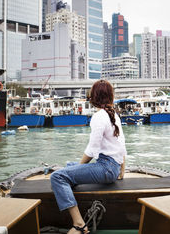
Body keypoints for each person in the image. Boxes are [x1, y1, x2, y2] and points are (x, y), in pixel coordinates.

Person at [50, 80, 126, 234]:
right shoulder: (114, 115)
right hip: (113, 168)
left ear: (95, 97)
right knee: (69, 165)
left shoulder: (99, 116)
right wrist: (121, 170)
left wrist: (80, 166)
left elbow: (92, 150)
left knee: (57, 177)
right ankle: (72, 174)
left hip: (106, 168)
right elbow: (122, 146)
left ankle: (79, 224)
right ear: (110, 96)